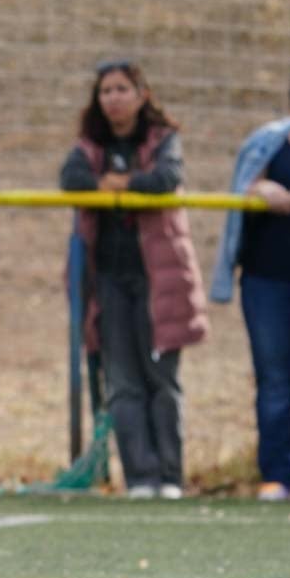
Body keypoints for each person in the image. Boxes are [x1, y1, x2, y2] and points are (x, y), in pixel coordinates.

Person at [59, 59, 208, 499]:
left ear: (142, 94)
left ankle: (169, 477)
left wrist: (119, 185)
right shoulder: (90, 146)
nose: (114, 98)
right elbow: (72, 178)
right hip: (107, 280)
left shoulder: (163, 140)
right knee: (122, 382)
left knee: (160, 379)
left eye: (122, 89)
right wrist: (117, 184)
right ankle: (140, 478)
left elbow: (166, 178)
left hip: (158, 280)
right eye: (106, 91)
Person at [211, 58, 290, 501]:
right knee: (275, 382)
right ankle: (277, 474)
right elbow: (243, 187)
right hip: (266, 282)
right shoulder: (268, 141)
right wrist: (260, 190)